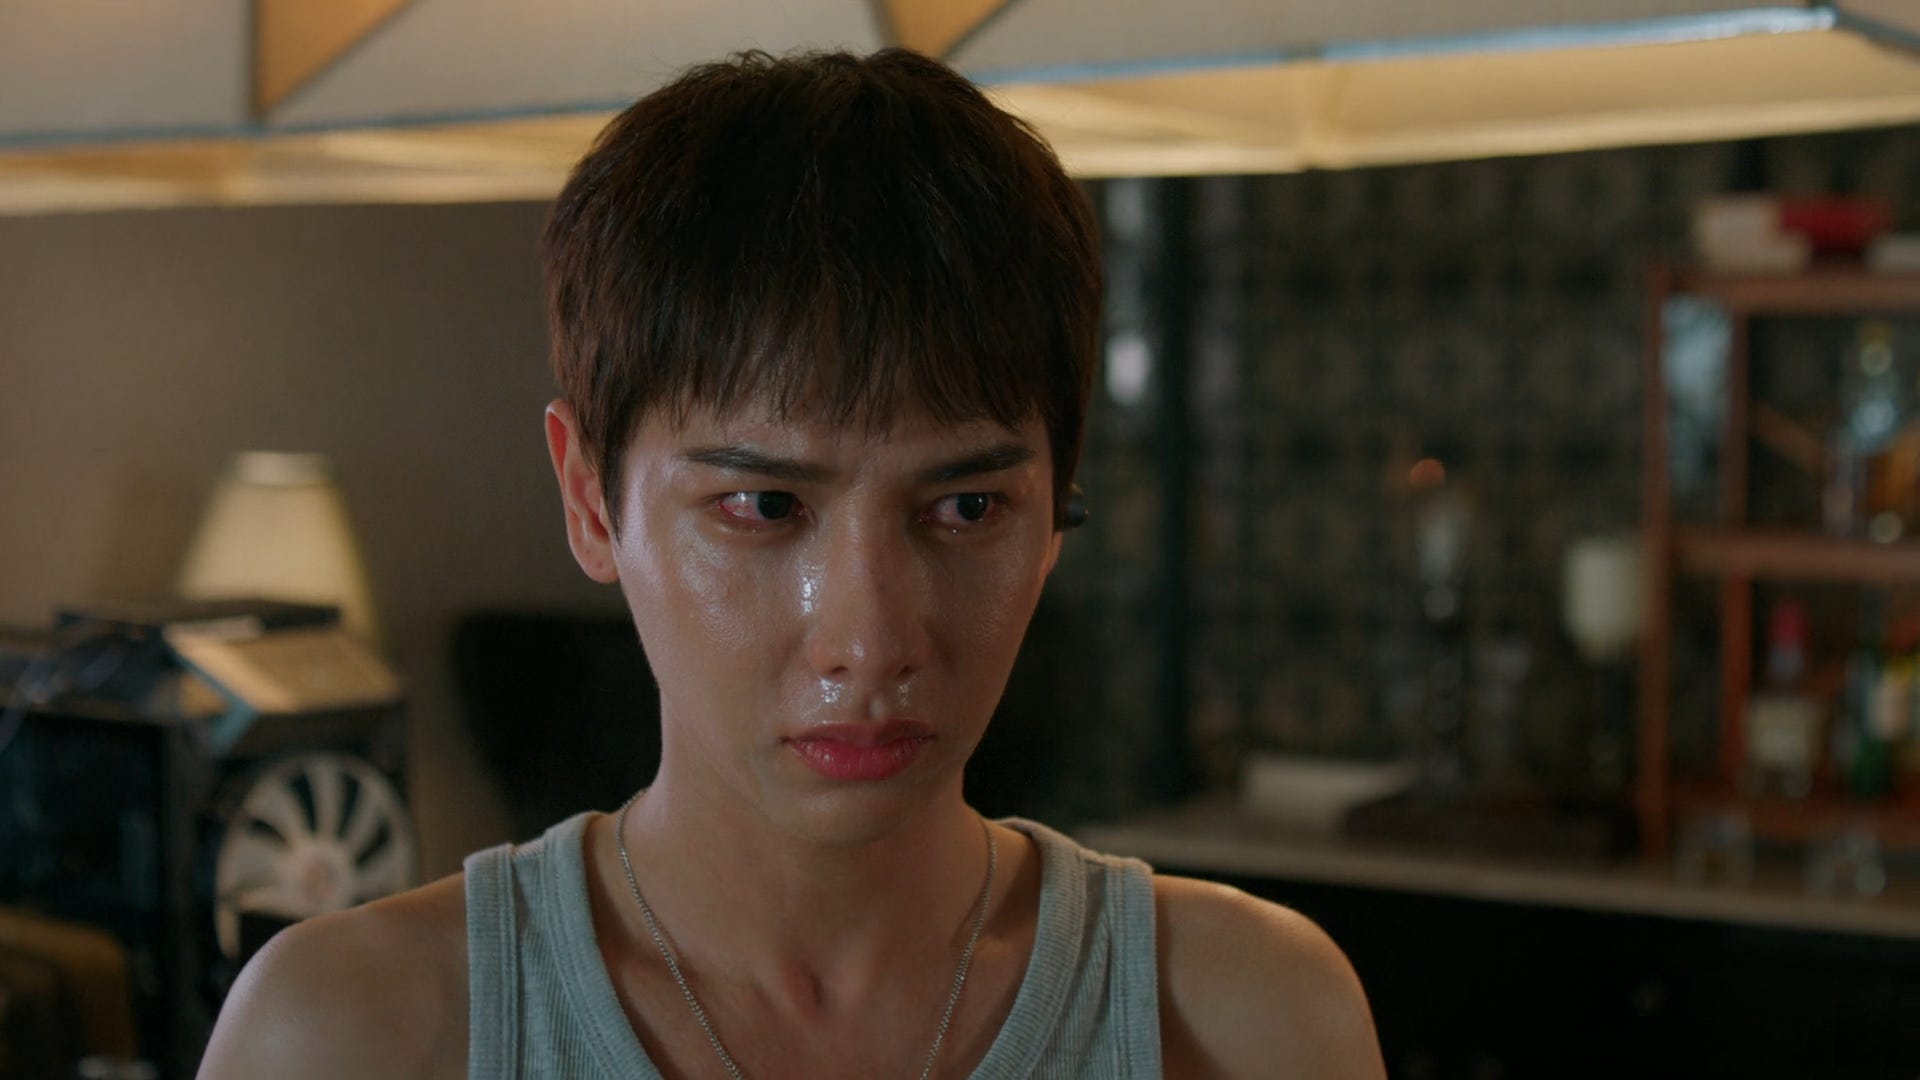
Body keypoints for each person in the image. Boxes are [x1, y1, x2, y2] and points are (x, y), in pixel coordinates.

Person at [199, 48, 1384, 1079]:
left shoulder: (1245, 1021)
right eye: (764, 506)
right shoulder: (355, 1032)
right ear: (591, 501)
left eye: (967, 507)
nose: (870, 641)